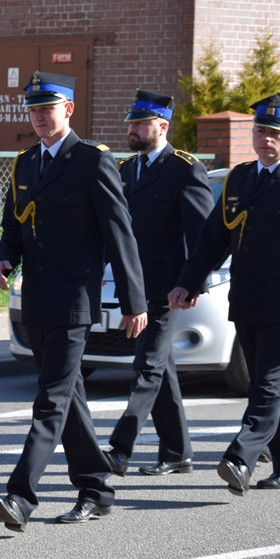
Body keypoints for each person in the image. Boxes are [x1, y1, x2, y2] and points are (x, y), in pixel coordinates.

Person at [0, 72, 147, 532]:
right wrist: (5, 258)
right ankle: (96, 488)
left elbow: (121, 234)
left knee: (51, 399)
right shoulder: (25, 164)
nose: (39, 117)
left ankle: (20, 495)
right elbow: (14, 225)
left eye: (48, 108)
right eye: (33, 110)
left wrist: (135, 300)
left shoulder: (92, 161)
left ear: (69, 110)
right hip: (36, 298)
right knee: (70, 397)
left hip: (76, 300)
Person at [169, 92, 280, 497]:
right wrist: (188, 281)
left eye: (274, 133)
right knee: (273, 387)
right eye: (260, 131)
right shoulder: (241, 178)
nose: (265, 140)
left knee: (267, 384)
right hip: (247, 299)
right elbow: (212, 239)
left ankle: (241, 456)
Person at [103, 90, 212, 477]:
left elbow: (203, 235)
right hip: (134, 286)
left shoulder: (184, 169)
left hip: (168, 288)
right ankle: (177, 451)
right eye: (130, 123)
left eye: (140, 123)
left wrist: (193, 282)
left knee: (147, 366)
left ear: (162, 127)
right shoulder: (127, 169)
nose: (131, 130)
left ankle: (119, 448)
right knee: (160, 368)